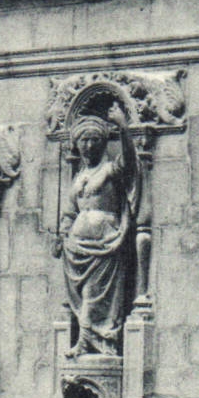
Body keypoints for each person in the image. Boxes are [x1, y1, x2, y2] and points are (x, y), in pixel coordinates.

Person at [55, 101, 138, 356]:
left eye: (93, 140)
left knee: (95, 293)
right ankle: (85, 339)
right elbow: (70, 211)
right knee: (81, 296)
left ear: (102, 143)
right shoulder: (78, 176)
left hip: (105, 241)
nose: (88, 146)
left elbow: (129, 164)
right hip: (76, 248)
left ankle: (91, 342)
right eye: (84, 141)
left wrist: (123, 128)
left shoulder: (110, 169)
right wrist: (62, 235)